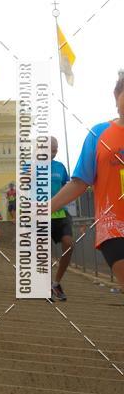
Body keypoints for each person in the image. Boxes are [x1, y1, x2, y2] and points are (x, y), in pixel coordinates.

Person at [50, 76, 124, 289]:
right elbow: (80, 182)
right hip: (115, 227)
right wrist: (44, 208)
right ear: (116, 96)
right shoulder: (99, 134)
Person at [50, 137, 74, 301]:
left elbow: (68, 186)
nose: (55, 151)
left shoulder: (60, 167)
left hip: (60, 213)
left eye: (56, 148)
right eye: (51, 149)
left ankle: (56, 283)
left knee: (68, 244)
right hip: (40, 214)